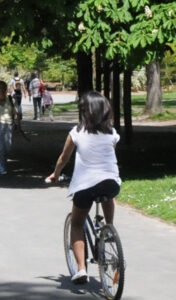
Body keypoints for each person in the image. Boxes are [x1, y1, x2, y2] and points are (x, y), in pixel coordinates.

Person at [45, 91, 121, 284]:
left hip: (86, 185)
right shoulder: (111, 132)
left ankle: (81, 269)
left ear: (85, 111)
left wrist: (55, 173)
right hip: (111, 182)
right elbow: (109, 154)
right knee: (107, 194)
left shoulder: (77, 132)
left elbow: (64, 158)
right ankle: (109, 229)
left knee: (77, 223)